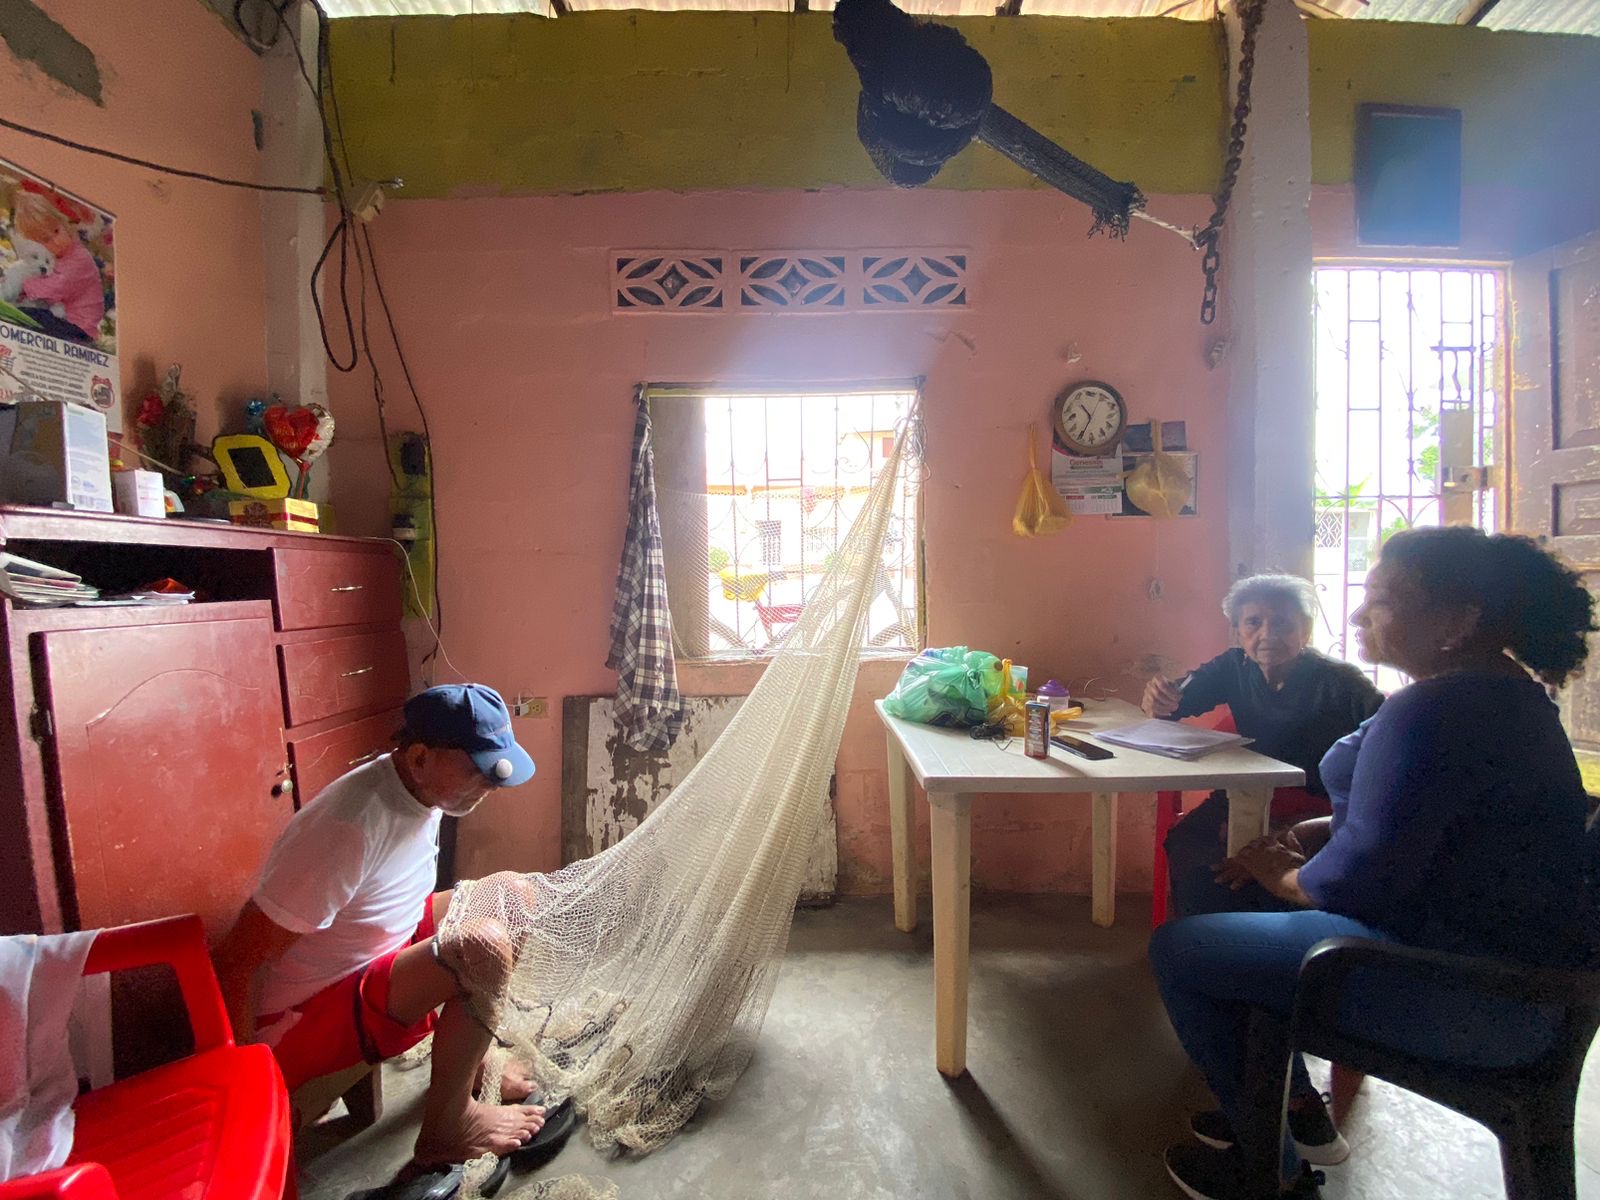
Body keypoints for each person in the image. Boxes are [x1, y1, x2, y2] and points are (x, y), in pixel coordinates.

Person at [1149, 527, 1598, 1200]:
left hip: (1462, 992)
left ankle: (1271, 1170)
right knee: (1222, 886)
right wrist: (1307, 832)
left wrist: (1282, 873)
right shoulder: (1498, 697)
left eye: (1382, 599)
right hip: (1507, 980)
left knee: (1183, 949)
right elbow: (1419, 814)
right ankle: (1274, 1109)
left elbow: (1354, 883)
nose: (1360, 615)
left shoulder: (1435, 710)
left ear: (1458, 622)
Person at [213, 683, 545, 1168]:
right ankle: (448, 1127)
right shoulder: (346, 828)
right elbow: (237, 960)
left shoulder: (424, 789)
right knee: (484, 948)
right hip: (305, 1015)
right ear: (419, 757)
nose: (490, 785)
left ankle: (469, 1064)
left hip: (376, 953)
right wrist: (244, 1085)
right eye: (476, 769)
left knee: (513, 896)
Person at [1143, 574, 1383, 920]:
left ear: (1306, 630)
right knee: (1188, 841)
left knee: (1241, 873)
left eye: (1282, 623)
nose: (1267, 634)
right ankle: (1206, 935)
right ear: (1237, 632)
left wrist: (1293, 829)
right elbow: (1174, 704)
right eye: (1253, 622)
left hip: (1316, 807)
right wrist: (1158, 700)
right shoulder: (1233, 666)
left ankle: (1257, 935)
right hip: (1245, 793)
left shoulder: (1341, 682)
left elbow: (1384, 748)